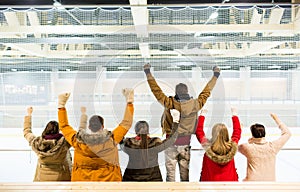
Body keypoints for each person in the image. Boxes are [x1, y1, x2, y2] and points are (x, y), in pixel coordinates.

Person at [143, 63, 220, 182]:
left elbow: (156, 90)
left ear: (176, 93)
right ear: (187, 92)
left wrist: (148, 73)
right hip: (185, 144)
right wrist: (215, 75)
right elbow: (206, 91)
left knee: (170, 176)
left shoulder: (169, 103)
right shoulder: (195, 104)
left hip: (170, 144)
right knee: (185, 177)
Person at [57, 88, 134, 181]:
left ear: (89, 127)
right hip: (109, 182)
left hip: (82, 183)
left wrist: (61, 106)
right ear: (102, 126)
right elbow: (126, 123)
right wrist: (129, 102)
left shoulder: (77, 141)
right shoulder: (112, 139)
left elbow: (64, 126)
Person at [121, 109, 180, 182]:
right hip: (153, 180)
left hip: (132, 180)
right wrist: (175, 122)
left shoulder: (129, 144)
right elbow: (171, 139)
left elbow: (120, 141)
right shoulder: (155, 143)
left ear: (136, 131)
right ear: (148, 130)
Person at [23, 106, 72, 181]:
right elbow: (72, 135)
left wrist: (29, 114)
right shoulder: (64, 143)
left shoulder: (37, 143)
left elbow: (27, 132)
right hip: (61, 178)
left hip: (42, 178)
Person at [238, 113, 291, 181]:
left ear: (252, 134)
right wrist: (276, 119)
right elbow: (287, 133)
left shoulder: (247, 147)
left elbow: (233, 146)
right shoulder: (272, 147)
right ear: (264, 133)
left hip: (252, 184)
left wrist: (240, 130)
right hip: (270, 183)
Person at [195, 108, 241, 181]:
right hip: (230, 184)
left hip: (209, 183)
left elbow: (199, 131)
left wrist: (202, 115)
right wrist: (234, 115)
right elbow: (237, 131)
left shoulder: (207, 146)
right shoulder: (232, 147)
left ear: (213, 133)